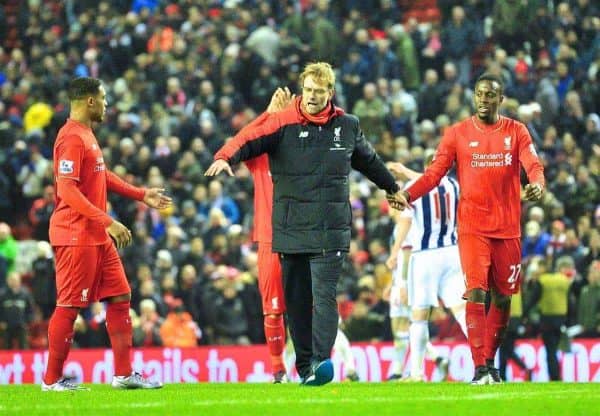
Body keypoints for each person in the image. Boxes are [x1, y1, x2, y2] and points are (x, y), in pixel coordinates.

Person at [205, 62, 403, 386]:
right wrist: (224, 156)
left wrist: (392, 188)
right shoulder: (281, 124)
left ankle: (322, 362)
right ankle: (306, 368)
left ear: (330, 92)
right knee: (295, 302)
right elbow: (249, 139)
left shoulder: (347, 126)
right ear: (302, 90)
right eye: (308, 89)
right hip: (288, 229)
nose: (312, 96)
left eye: (319, 90)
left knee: (323, 295)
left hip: (329, 228)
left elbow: (370, 161)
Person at [390, 72, 545, 384]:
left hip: (508, 229)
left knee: (502, 299)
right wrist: (407, 194)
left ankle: (490, 362)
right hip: (472, 227)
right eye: (480, 94)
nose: (484, 100)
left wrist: (538, 184)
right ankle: (479, 368)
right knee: (475, 291)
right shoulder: (457, 133)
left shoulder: (516, 131)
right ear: (474, 97)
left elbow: (533, 165)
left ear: (501, 99)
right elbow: (434, 174)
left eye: (491, 95)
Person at [43, 77, 171, 391]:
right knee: (70, 305)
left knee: (120, 295)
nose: (106, 104)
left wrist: (141, 194)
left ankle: (124, 374)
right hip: (76, 233)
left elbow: (102, 174)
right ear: (89, 101)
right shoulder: (71, 137)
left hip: (95, 235)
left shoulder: (86, 134)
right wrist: (108, 221)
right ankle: (51, 379)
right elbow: (67, 190)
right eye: (103, 98)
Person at [208, 87, 293, 383]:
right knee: (272, 310)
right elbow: (240, 139)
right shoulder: (261, 156)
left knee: (307, 306)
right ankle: (277, 369)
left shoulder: (303, 155)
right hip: (270, 238)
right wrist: (267, 114)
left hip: (301, 238)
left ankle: (309, 364)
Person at [386, 154, 467, 382]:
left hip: (425, 255)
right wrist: (406, 171)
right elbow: (435, 180)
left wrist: (394, 253)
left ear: (425, 167)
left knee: (419, 316)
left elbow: (404, 221)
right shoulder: (453, 185)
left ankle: (417, 373)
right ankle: (485, 364)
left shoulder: (414, 187)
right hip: (452, 253)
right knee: (462, 311)